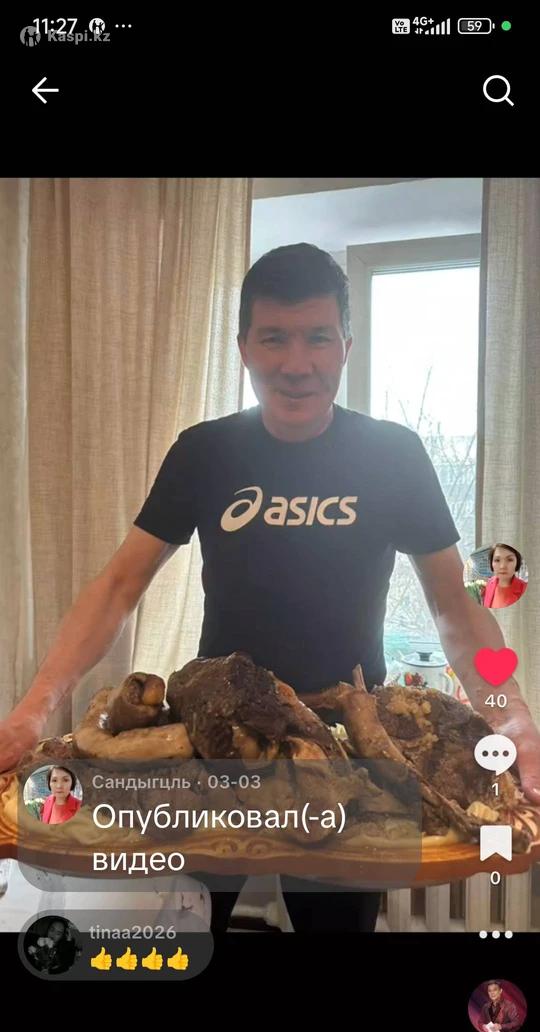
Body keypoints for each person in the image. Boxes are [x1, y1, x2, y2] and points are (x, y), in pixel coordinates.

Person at [1, 243, 539, 932]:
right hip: (213, 742)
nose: (297, 363)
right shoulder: (204, 451)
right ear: (244, 349)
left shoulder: (394, 455)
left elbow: (453, 607)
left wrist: (510, 713)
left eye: (318, 337)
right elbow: (117, 587)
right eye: (274, 338)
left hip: (346, 750)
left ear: (346, 346)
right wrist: (35, 708)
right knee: (194, 934)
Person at [483, 543, 527, 609]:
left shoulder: (524, 589)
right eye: (497, 560)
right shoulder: (489, 583)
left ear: (517, 562)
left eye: (509, 560)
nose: (502, 566)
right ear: (491, 563)